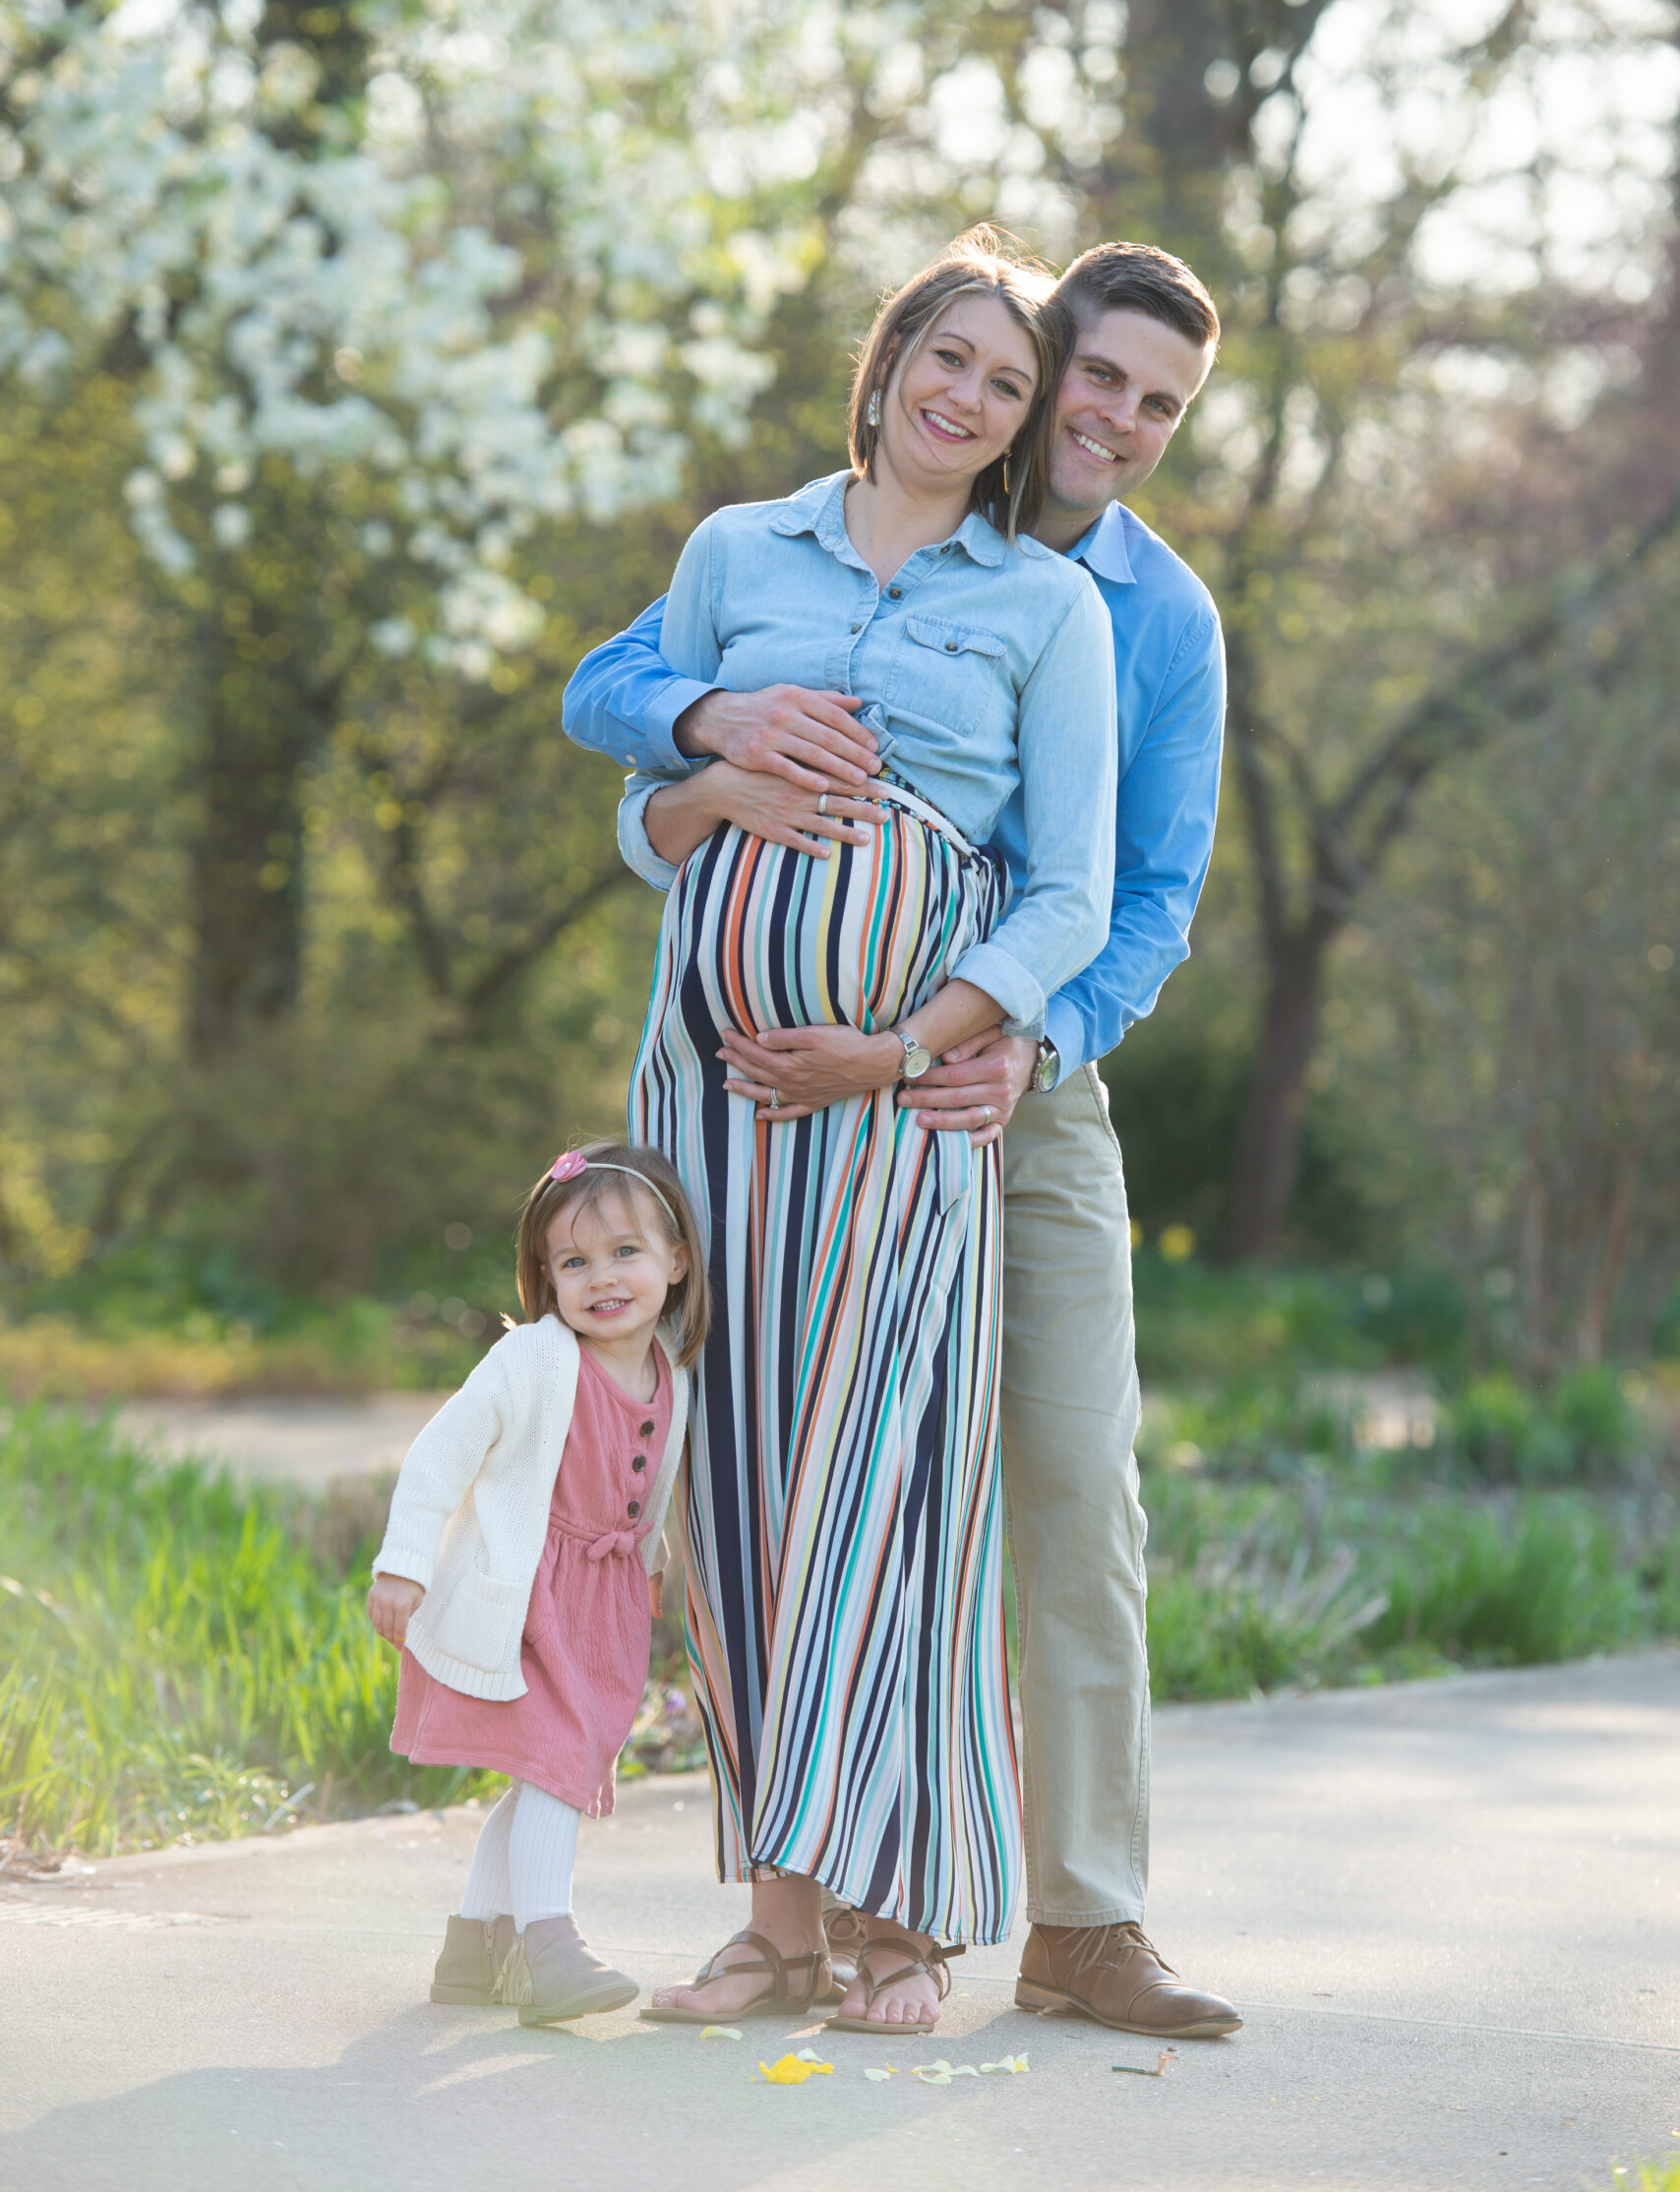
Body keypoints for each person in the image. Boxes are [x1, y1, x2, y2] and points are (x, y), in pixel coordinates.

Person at [565, 238, 1242, 2040]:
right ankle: (785, 1911)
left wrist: (993, 1038)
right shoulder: (755, 547)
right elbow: (618, 719)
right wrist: (703, 744)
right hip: (741, 1093)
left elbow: (1135, 894)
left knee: (1044, 1488)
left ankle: (1067, 1919)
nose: (1107, 418)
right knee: (751, 1484)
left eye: (1143, 404)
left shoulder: (1129, 613)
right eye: (1082, 376)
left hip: (1005, 1078)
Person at [366, 1139, 707, 2027]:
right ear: (544, 1278)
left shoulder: (672, 1369)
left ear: (676, 1261)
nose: (602, 1277)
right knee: (555, 1773)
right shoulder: (533, 1361)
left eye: (626, 1252)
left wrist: (656, 1560)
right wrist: (403, 1562)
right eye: (574, 1261)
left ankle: (472, 1950)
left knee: (537, 1775)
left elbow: (653, 1481)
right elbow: (443, 1454)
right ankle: (548, 1948)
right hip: (523, 1597)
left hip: (605, 1603)